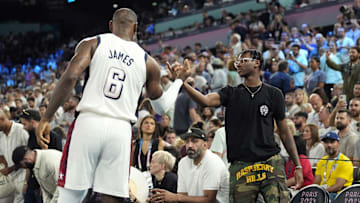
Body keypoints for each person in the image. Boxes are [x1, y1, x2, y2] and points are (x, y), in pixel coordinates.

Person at [36, 8, 186, 203]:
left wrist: (46, 117)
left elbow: (71, 76)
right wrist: (179, 81)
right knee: (112, 197)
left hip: (89, 122)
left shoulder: (93, 43)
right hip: (121, 130)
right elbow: (161, 106)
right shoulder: (148, 62)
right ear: (135, 28)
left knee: (71, 192)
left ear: (110, 26)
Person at [177, 49, 303, 202]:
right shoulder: (230, 93)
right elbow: (205, 101)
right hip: (242, 165)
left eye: (243, 61)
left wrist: (297, 166)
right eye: (237, 62)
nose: (238, 65)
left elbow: (284, 132)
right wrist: (182, 82)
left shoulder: (274, 94)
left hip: (270, 161)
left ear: (257, 63)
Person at [150, 128, 229, 203]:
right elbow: (183, 196)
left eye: (194, 141)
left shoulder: (212, 162)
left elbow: (209, 200)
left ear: (205, 145)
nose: (190, 145)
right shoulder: (183, 163)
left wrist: (176, 197)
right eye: (187, 142)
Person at [314, 132, 353, 201]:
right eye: (326, 142)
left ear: (338, 143)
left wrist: (321, 193)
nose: (329, 145)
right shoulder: (322, 161)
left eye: (332, 142)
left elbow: (338, 186)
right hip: (322, 194)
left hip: (338, 195)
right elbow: (316, 182)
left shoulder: (345, 161)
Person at [0, 109, 29, 203]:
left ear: (2, 119)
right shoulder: (1, 135)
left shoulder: (21, 130)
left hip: (24, 176)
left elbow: (31, 156)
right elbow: (2, 156)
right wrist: (4, 166)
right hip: (10, 178)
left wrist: (11, 169)